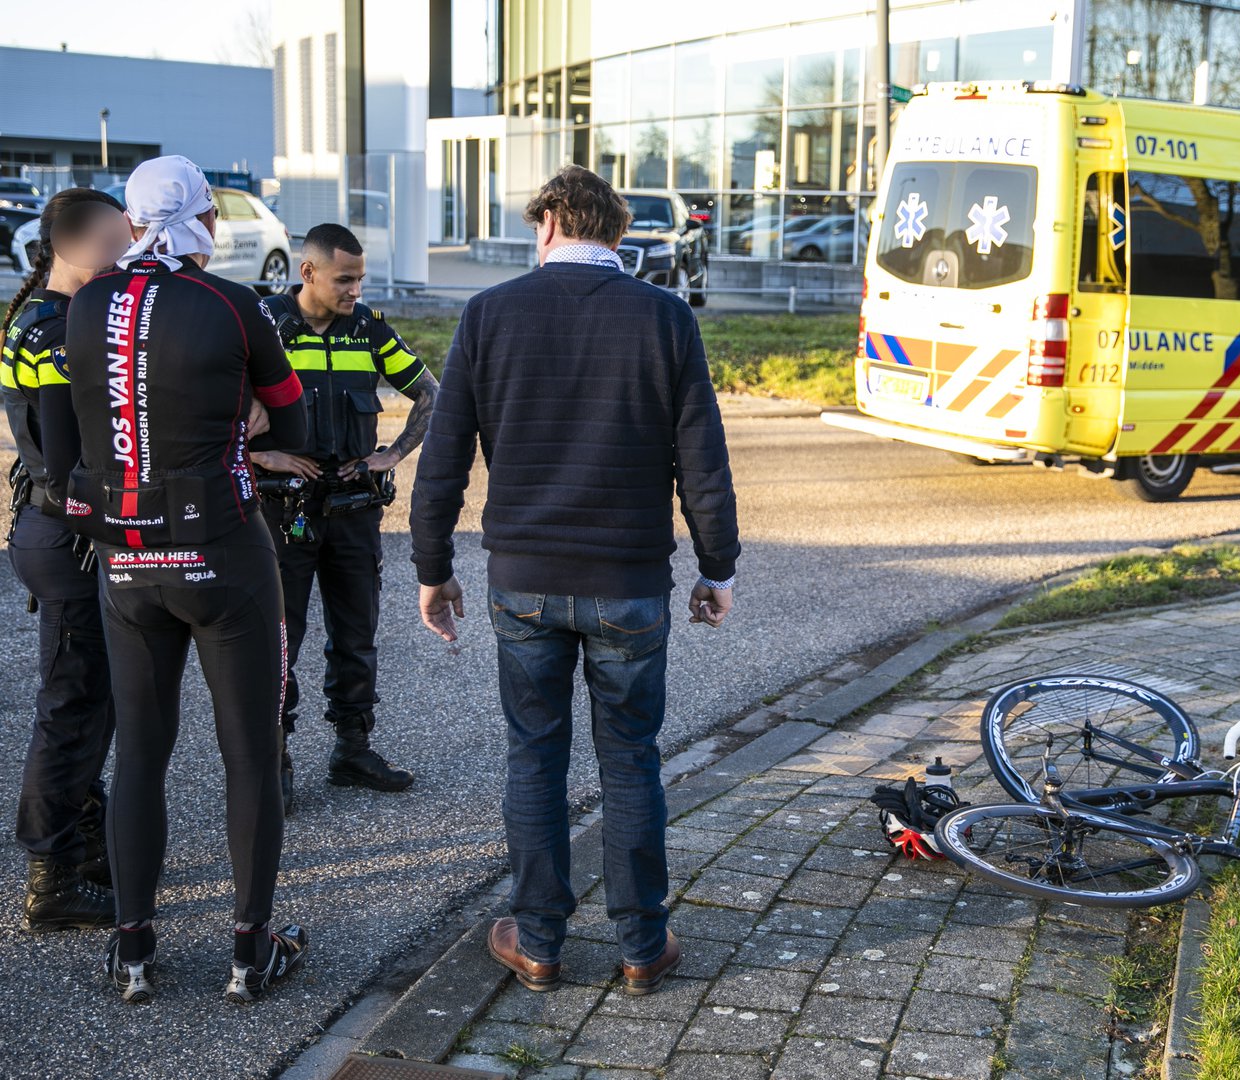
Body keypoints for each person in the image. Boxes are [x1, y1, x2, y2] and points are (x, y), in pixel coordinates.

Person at [410, 165, 740, 997]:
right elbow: (700, 457)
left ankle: (542, 944)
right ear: (616, 232)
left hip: (523, 581)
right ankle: (640, 946)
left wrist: (433, 570)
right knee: (631, 760)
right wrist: (716, 566)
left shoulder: (489, 315)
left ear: (552, 220)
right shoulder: (665, 318)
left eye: (535, 224)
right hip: (629, 581)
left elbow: (443, 458)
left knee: (535, 757)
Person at [54, 155, 311, 1004]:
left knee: (141, 753)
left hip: (126, 557)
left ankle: (132, 952)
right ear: (204, 219)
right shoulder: (235, 304)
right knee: (248, 757)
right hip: (222, 554)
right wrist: (238, 414)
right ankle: (249, 949)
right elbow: (293, 414)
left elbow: (85, 418)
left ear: (131, 222)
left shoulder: (88, 301)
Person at [251, 223, 437, 812]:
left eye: (361, 278)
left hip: (355, 513)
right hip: (283, 514)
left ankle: (351, 750)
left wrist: (393, 453)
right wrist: (259, 453)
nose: (356, 289)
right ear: (307, 273)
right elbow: (201, 406)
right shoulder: (264, 328)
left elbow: (433, 394)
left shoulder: (369, 332)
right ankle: (274, 757)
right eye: (345, 279)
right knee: (279, 640)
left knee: (356, 638)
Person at [1, 188, 129, 933]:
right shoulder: (52, 329)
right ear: (76, 245)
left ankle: (87, 843)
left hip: (61, 536)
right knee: (73, 709)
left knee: (89, 703)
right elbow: (70, 460)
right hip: (68, 538)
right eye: (118, 242)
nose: (128, 255)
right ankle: (51, 877)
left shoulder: (60, 318)